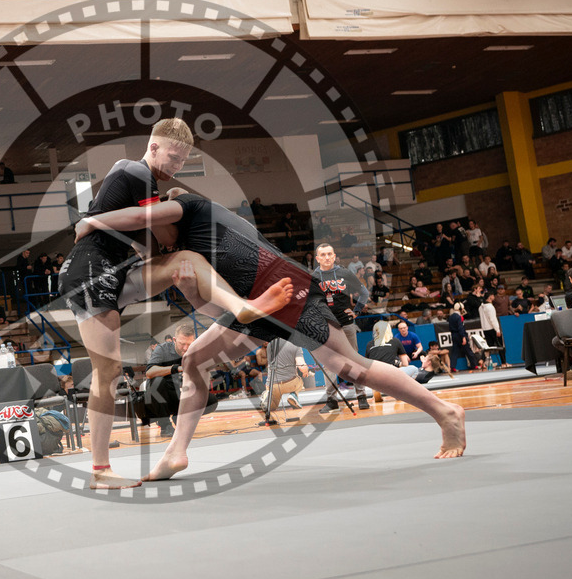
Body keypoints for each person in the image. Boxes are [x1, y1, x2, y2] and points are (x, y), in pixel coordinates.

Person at [78, 189, 467, 483]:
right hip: (255, 307)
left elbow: (138, 213)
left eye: (150, 235)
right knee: (194, 359)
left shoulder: (191, 207)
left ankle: (445, 412)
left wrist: (93, 221)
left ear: (155, 213)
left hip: (284, 288)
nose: (155, 247)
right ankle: (176, 452)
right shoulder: (183, 255)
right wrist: (193, 290)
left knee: (351, 368)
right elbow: (217, 310)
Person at [60, 118, 290, 489]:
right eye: (173, 157)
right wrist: (173, 200)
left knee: (185, 260)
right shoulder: (135, 170)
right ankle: (99, 471)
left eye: (183, 161)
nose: (177, 166)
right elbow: (162, 231)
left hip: (118, 270)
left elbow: (158, 246)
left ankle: (240, 307)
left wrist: (160, 208)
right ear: (153, 148)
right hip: (90, 270)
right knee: (109, 373)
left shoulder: (143, 184)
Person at [313, 242, 371, 411]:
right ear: (317, 258)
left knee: (354, 359)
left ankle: (361, 395)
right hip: (326, 327)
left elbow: (364, 293)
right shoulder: (313, 278)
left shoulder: (344, 273)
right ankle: (331, 400)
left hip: (346, 324)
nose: (326, 257)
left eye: (329, 254)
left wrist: (357, 311)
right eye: (322, 255)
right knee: (328, 363)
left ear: (334, 255)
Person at [143, 324, 212, 437]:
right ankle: (165, 425)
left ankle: (181, 418)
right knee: (156, 382)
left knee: (210, 400)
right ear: (174, 340)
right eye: (182, 344)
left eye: (189, 344)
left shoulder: (195, 352)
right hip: (163, 395)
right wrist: (176, 369)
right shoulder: (162, 349)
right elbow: (149, 372)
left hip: (181, 394)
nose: (185, 348)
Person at [260, 338, 310, 414]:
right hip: (290, 384)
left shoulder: (270, 345)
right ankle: (293, 395)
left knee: (272, 407)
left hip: (272, 385)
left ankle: (267, 395)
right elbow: (301, 366)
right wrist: (306, 371)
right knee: (300, 381)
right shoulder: (296, 345)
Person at [447, 303, 480, 371]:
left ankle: (452, 366)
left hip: (453, 335)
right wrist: (463, 337)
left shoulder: (451, 316)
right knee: (468, 350)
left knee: (455, 352)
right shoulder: (458, 317)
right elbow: (460, 328)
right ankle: (474, 365)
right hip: (460, 335)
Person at [478, 292, 507, 367]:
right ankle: (504, 363)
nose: (494, 296)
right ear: (490, 297)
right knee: (500, 346)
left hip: (485, 329)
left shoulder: (481, 307)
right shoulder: (490, 307)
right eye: (493, 295)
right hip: (492, 329)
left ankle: (482, 360)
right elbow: (493, 319)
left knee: (488, 346)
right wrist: (497, 329)